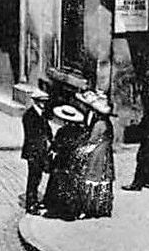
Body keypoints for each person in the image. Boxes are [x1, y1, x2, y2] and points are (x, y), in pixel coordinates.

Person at [43, 104, 87, 219]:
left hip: (62, 162)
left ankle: (57, 209)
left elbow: (57, 145)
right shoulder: (81, 132)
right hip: (75, 163)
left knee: (59, 184)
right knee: (72, 185)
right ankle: (72, 210)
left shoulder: (62, 131)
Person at [76, 90, 115, 219]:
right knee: (103, 180)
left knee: (93, 178)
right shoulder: (108, 124)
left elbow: (92, 140)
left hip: (97, 154)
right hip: (106, 154)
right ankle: (102, 207)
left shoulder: (99, 125)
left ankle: (90, 208)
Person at [20, 86, 53, 214]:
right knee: (33, 178)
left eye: (45, 101)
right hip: (33, 152)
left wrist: (51, 141)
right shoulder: (29, 115)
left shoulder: (42, 115)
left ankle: (34, 201)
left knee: (37, 177)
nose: (44, 104)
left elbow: (48, 131)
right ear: (36, 101)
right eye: (41, 101)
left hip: (41, 151)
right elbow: (32, 136)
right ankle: (30, 204)